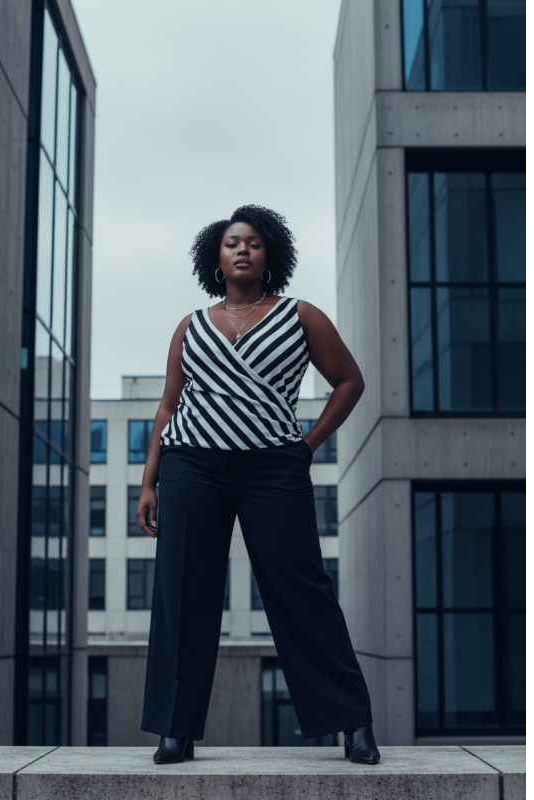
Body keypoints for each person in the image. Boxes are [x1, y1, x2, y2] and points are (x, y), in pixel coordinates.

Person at [136, 205, 380, 766]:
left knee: (302, 590)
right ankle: (177, 730)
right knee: (184, 593)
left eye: (253, 243)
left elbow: (350, 380)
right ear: (215, 259)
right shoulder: (191, 325)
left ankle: (353, 722)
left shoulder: (300, 315)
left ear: (271, 256)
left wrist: (307, 445)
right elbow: (169, 405)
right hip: (191, 465)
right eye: (230, 243)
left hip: (274, 466)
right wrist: (149, 482)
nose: (241, 250)